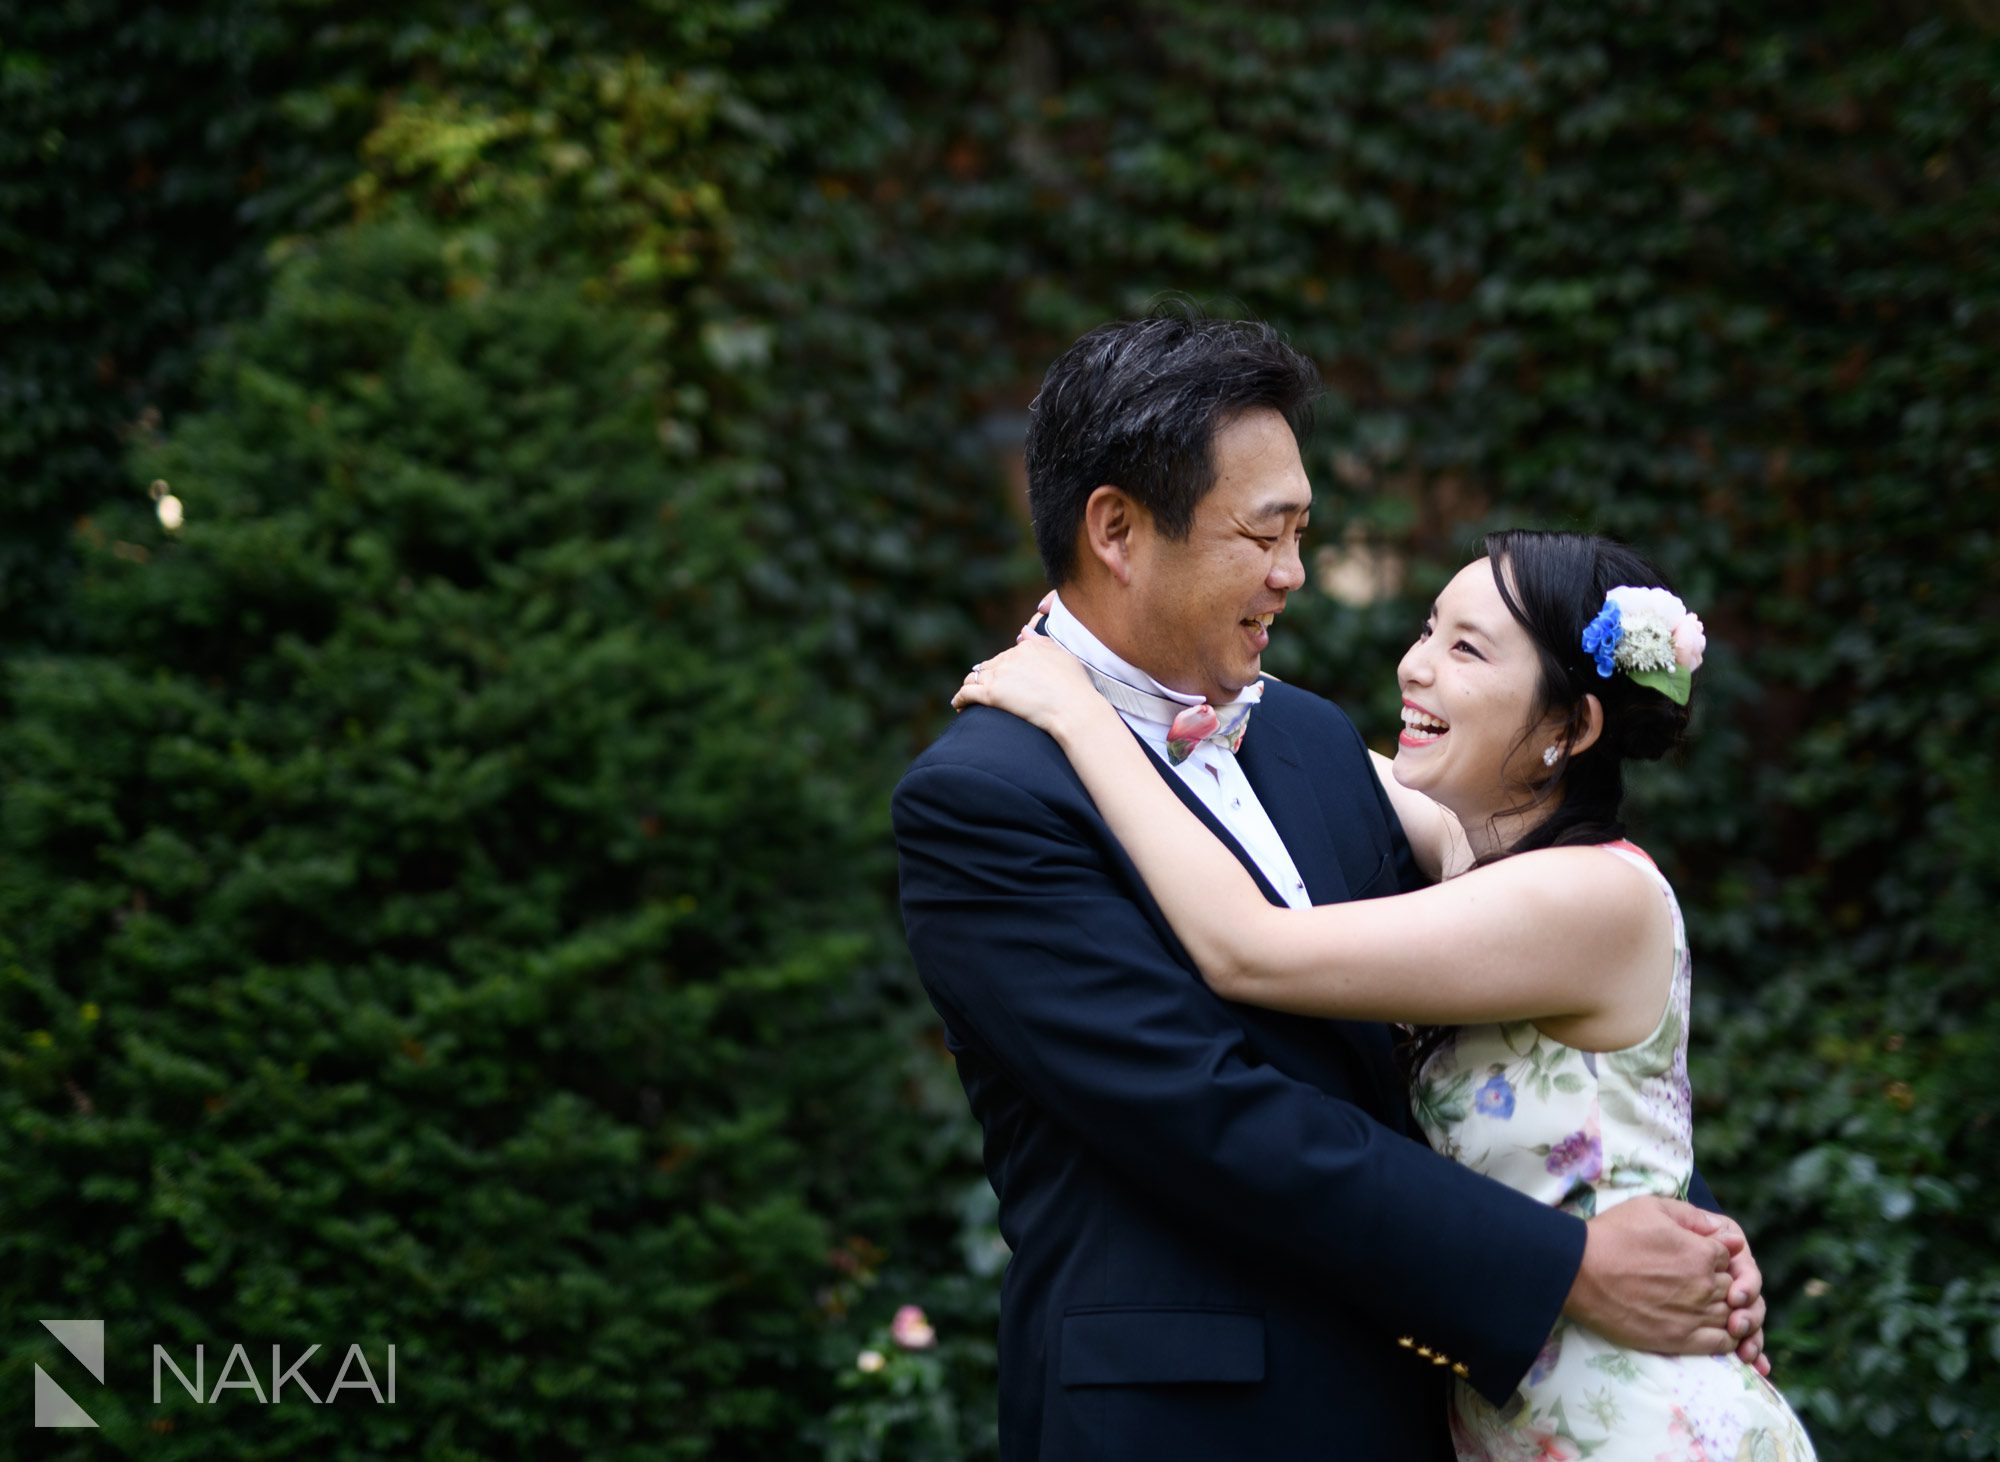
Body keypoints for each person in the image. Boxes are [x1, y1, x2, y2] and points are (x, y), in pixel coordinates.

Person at [892, 312, 1766, 1461]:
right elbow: (1210, 1112)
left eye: (1301, 531)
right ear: (1116, 528)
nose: (1292, 574)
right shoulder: (985, 794)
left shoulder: (1304, 736)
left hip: (1424, 1406)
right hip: (1185, 1422)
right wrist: (1569, 1265)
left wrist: (1669, 1226)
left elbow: (1542, 1015)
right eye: (1265, 533)